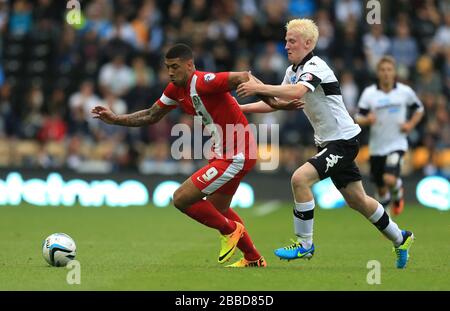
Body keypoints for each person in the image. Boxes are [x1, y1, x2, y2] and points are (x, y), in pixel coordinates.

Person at [237, 19, 414, 269]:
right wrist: (240, 107)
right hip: (328, 143)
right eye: (286, 40)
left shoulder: (316, 66)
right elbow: (275, 101)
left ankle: (304, 244)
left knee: (300, 179)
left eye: (292, 41)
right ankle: (401, 238)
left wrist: (258, 86)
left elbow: (297, 93)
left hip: (343, 141)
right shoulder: (292, 72)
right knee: (358, 201)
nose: (286, 45)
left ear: (308, 43)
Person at [92, 44, 281, 268]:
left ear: (190, 65)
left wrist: (274, 101)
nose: (170, 72)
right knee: (218, 209)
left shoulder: (204, 81)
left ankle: (230, 230)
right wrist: (116, 119)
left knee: (181, 198)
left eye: (175, 67)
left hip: (237, 154)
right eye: (167, 67)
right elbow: (152, 115)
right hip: (224, 153)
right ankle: (253, 258)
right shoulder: (175, 89)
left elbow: (243, 76)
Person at [355, 56, 424, 215]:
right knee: (380, 186)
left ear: (394, 73)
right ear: (378, 73)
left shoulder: (404, 92)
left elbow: (419, 109)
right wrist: (367, 119)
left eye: (389, 70)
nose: (386, 73)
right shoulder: (370, 93)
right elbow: (358, 117)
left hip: (397, 143)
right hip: (377, 147)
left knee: (389, 179)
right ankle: (386, 215)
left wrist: (410, 124)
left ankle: (397, 194)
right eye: (383, 70)